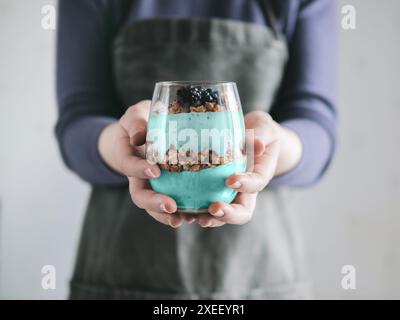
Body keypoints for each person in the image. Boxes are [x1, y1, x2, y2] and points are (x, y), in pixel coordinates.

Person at [56, 0, 337, 299]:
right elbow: (78, 120)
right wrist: (119, 146)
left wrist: (272, 147)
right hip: (123, 260)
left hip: (258, 267)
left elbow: (317, 127)